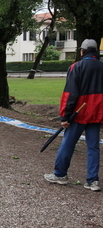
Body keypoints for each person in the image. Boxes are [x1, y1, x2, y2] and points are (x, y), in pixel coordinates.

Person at [44, 39, 103, 192]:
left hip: (78, 113)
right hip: (96, 113)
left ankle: (60, 174)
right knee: (93, 147)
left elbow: (70, 94)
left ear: (82, 51)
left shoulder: (76, 67)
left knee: (68, 143)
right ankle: (93, 180)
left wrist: (65, 116)